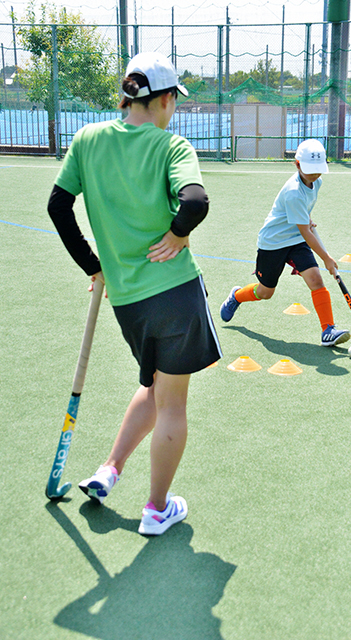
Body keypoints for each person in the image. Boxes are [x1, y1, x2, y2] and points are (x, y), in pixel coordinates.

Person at [47, 51, 222, 536]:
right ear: (164, 100)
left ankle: (109, 469)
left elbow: (58, 205)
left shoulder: (87, 140)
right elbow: (195, 201)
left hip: (126, 300)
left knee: (153, 388)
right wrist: (178, 233)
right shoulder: (171, 146)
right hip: (175, 293)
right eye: (174, 101)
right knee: (173, 404)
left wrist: (92, 262)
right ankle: (156, 508)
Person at [220, 139, 350, 347]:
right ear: (297, 165)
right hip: (274, 242)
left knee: (316, 280)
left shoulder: (316, 182)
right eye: (310, 170)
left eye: (319, 169)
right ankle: (236, 296)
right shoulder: (293, 192)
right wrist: (326, 258)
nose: (316, 174)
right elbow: (306, 232)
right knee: (265, 292)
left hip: (296, 240)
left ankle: (328, 329)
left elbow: (305, 221)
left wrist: (306, 218)